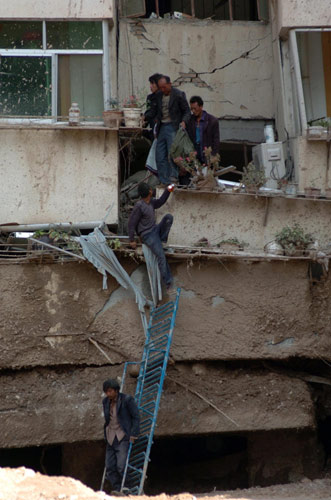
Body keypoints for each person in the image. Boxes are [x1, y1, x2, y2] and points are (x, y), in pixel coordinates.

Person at [128, 182, 174, 292]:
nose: (152, 189)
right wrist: (132, 240)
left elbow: (161, 201)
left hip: (155, 230)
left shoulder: (151, 202)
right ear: (149, 192)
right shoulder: (139, 206)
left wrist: (168, 190)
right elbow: (131, 223)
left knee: (168, 217)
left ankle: (161, 239)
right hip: (147, 235)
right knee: (161, 256)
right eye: (150, 188)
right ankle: (168, 283)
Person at [145, 75, 191, 185]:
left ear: (170, 84)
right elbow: (153, 111)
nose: (162, 90)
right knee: (159, 154)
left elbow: (187, 111)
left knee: (173, 154)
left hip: (173, 126)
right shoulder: (159, 95)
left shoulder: (178, 94)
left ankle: (173, 178)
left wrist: (184, 121)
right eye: (161, 87)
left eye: (164, 87)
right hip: (162, 127)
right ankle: (163, 179)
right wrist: (144, 117)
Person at [102, 378, 140, 493]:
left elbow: (136, 417)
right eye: (106, 392)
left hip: (122, 436)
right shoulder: (105, 402)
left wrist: (133, 433)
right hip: (110, 437)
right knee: (109, 467)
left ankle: (127, 487)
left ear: (116, 390)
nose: (108, 394)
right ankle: (117, 489)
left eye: (110, 391)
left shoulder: (127, 400)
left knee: (121, 466)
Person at [187, 95, 220, 163]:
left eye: (195, 108)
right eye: (191, 109)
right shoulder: (190, 120)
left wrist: (213, 156)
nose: (193, 111)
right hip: (195, 153)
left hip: (206, 153)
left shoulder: (212, 121)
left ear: (201, 107)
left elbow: (216, 140)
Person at [144, 73, 162, 139]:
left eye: (152, 83)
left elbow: (152, 112)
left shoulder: (164, 97)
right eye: (150, 84)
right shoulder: (150, 97)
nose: (150, 86)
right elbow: (149, 111)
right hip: (153, 130)